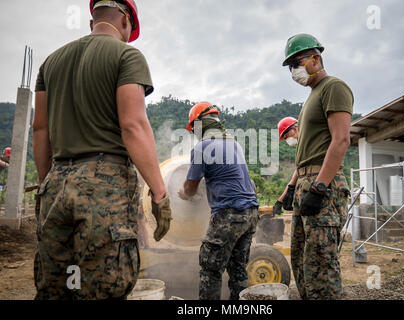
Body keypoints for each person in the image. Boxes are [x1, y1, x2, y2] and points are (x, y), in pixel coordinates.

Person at [32, 0, 171, 300]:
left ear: (92, 21)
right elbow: (133, 126)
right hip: (104, 186)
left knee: (55, 288)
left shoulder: (50, 63)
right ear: (125, 21)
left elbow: (40, 130)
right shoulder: (127, 55)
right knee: (103, 289)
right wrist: (159, 194)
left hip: (55, 184)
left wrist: (47, 184)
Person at [282, 34, 353, 300]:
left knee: (321, 265)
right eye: (290, 66)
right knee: (302, 261)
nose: (294, 70)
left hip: (324, 185)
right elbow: (306, 152)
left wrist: (320, 186)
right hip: (305, 182)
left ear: (316, 58)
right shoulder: (311, 97)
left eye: (297, 62)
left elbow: (340, 140)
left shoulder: (334, 87)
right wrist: (291, 188)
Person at [178, 102, 259, 300]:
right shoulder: (234, 144)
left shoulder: (202, 147)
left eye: (194, 128)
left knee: (210, 270)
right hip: (250, 213)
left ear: (200, 124)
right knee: (238, 270)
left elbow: (190, 189)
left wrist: (183, 194)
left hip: (228, 214)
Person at [272, 117, 299, 216]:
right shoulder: (300, 148)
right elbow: (297, 174)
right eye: (285, 138)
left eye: (287, 136)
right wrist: (280, 201)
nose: (288, 140)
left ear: (295, 128)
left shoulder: (309, 143)